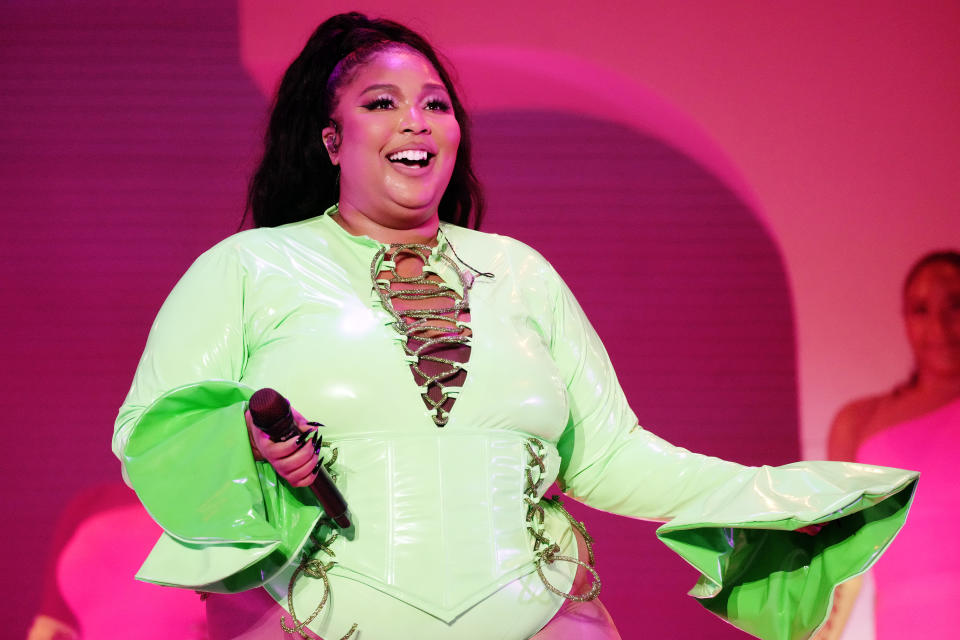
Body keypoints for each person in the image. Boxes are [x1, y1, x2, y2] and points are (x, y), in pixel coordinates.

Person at [113, 12, 918, 640]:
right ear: (332, 139)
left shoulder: (521, 271)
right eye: (382, 104)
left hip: (541, 619)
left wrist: (776, 493)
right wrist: (244, 444)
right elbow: (148, 435)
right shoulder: (249, 268)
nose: (417, 122)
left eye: (435, 104)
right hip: (321, 621)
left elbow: (608, 456)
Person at [818, 250, 960, 640]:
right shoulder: (859, 422)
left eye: (955, 305)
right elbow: (844, 558)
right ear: (905, 319)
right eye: (921, 309)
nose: (940, 325)